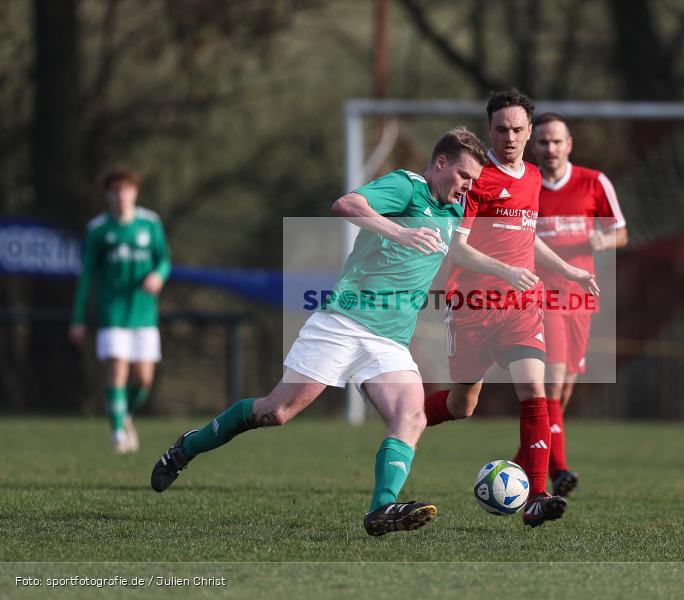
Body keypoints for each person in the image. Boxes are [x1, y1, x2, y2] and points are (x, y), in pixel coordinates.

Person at [149, 128, 488, 537]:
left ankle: (382, 509)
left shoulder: (456, 208)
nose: (469, 187)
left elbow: (468, 242)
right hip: (343, 323)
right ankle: (186, 447)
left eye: (474, 181)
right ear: (440, 164)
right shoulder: (406, 186)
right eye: (464, 176)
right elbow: (346, 204)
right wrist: (400, 231)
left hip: (390, 339)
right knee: (276, 412)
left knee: (411, 415)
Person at [422, 89, 599, 528]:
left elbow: (527, 238)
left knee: (534, 392)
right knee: (463, 404)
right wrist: (504, 271)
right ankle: (404, 417)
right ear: (489, 131)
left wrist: (567, 271)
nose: (510, 137)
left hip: (520, 306)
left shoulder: (534, 177)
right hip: (473, 307)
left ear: (529, 132)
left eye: (518, 129)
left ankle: (538, 495)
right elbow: (457, 249)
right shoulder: (475, 179)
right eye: (501, 129)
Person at [514, 112, 627, 497]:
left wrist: (603, 241)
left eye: (557, 141)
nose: (550, 149)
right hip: (541, 297)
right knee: (552, 383)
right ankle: (557, 471)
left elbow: (621, 233)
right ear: (535, 145)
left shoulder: (594, 182)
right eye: (543, 142)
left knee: (559, 395)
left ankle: (518, 464)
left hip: (581, 298)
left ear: (569, 144)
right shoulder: (526, 183)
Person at [69, 167, 170, 454]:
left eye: (126, 189)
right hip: (112, 313)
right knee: (117, 370)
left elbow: (164, 259)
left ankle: (124, 414)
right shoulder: (98, 230)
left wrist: (158, 276)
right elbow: (86, 276)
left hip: (144, 314)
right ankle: (117, 434)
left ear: (134, 192)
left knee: (144, 380)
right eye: (115, 190)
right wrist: (77, 319)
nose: (121, 195)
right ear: (107, 195)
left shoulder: (150, 224)